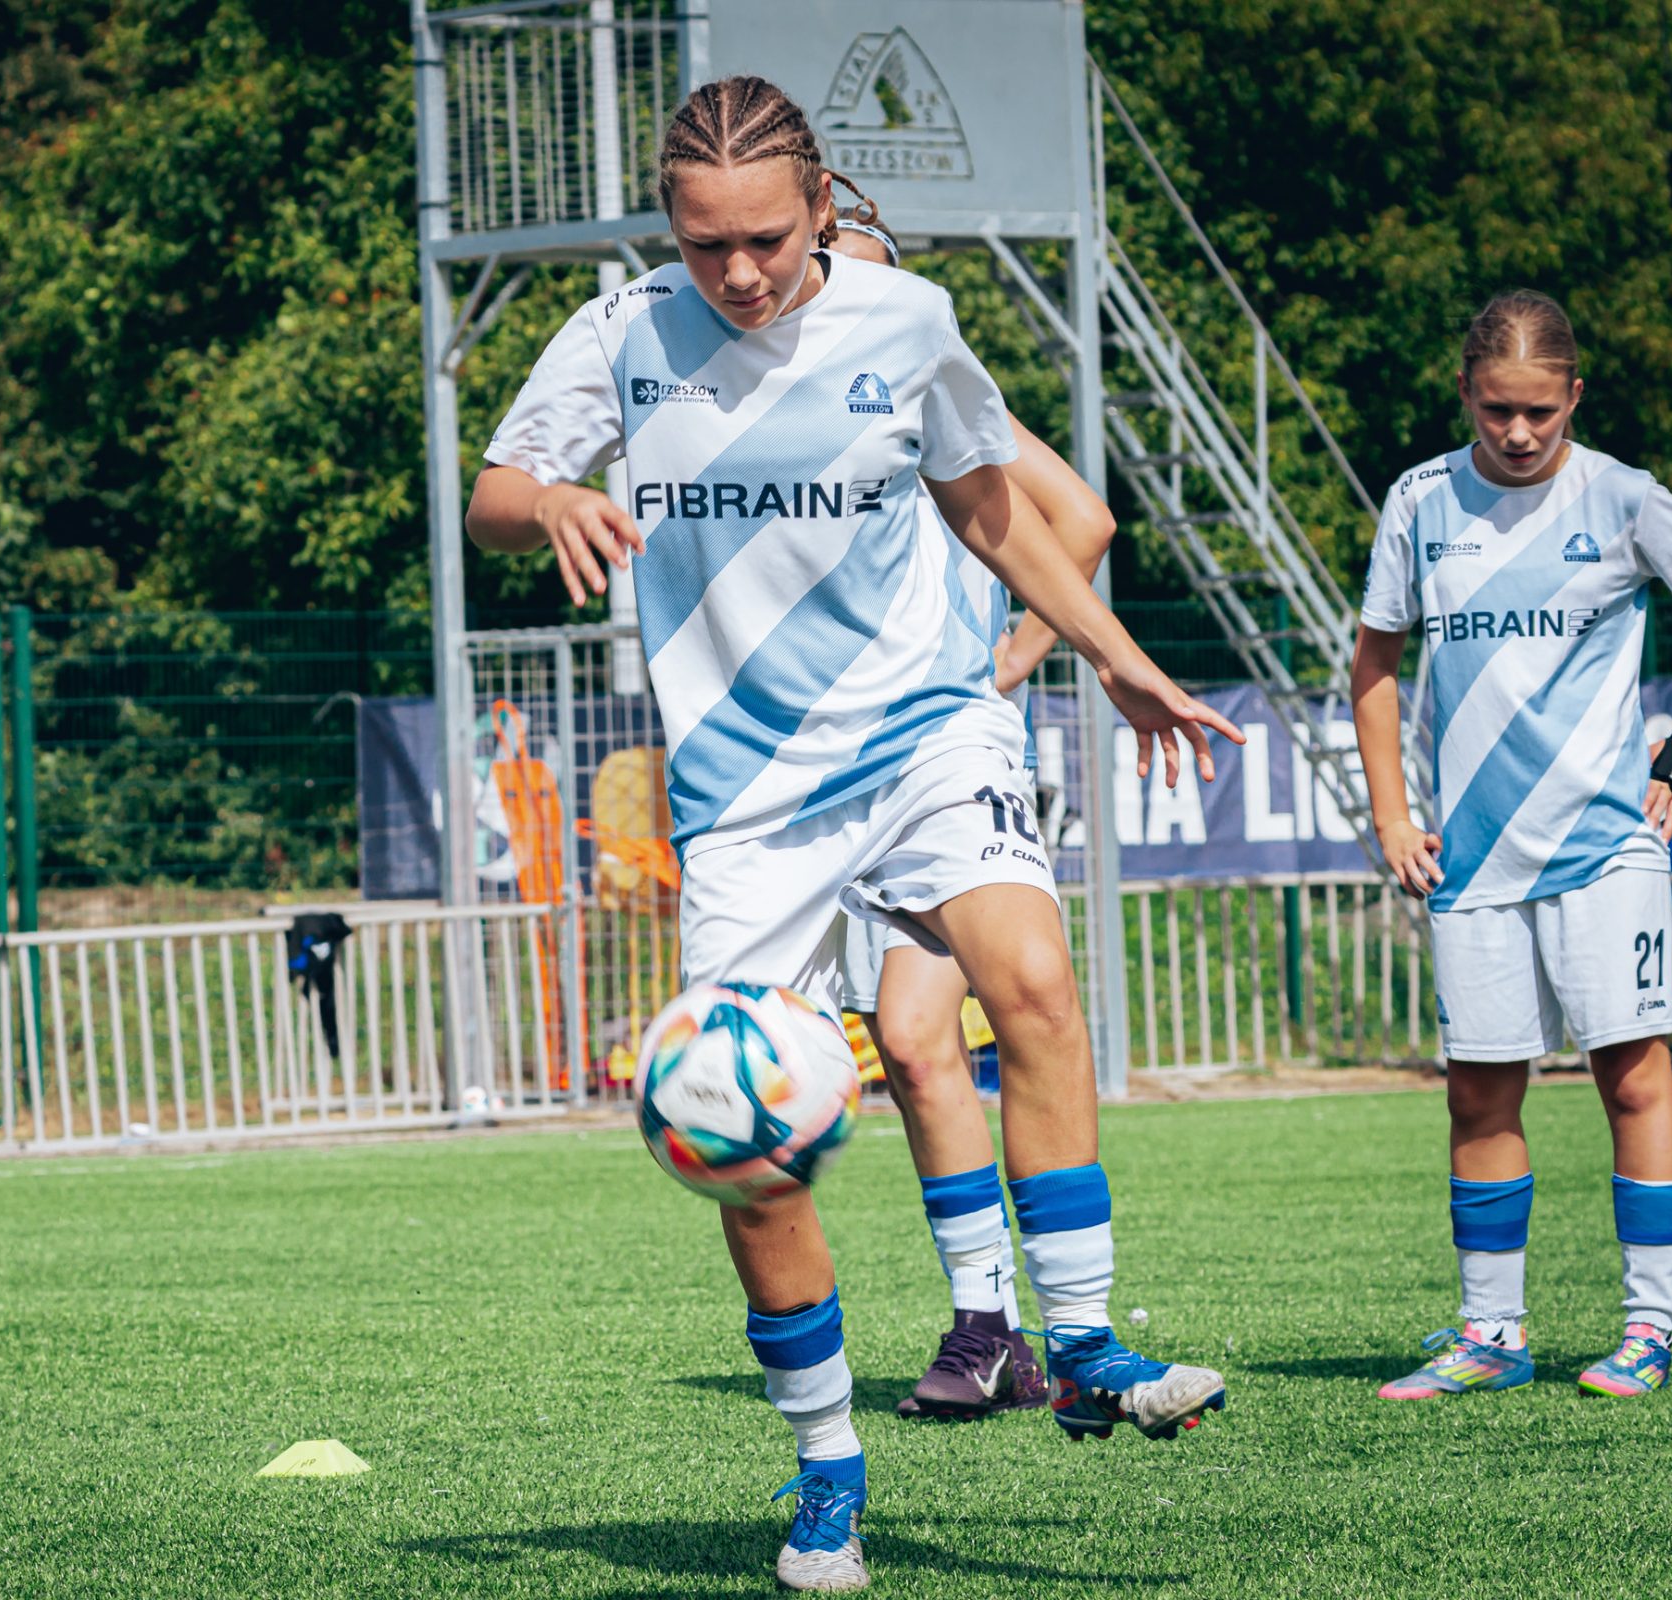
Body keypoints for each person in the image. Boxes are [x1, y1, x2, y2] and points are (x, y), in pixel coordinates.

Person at [467, 77, 1238, 1591]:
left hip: (920, 728)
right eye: (705, 244)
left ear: (820, 207)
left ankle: (1080, 1345)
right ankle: (826, 1470)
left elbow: (994, 511)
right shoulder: (621, 333)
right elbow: (493, 489)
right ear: (671, 228)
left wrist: (1115, 655)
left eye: (764, 238)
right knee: (742, 1137)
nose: (739, 272)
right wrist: (547, 503)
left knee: (1033, 980)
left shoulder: (908, 321)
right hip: (743, 793)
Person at [1350, 291, 1672, 1403]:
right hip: (1471, 858)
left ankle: (1646, 1330)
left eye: (1540, 410)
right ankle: (1491, 1335)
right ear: (1465, 395)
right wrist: (1392, 815)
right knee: (1478, 1094)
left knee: (1630, 1076)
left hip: (1603, 847)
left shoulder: (1623, 496)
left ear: (1574, 396)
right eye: (1497, 409)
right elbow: (1375, 665)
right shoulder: (1419, 500)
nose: (1519, 432)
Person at [820, 201, 1119, 1425]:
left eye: (870, 277)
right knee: (907, 1037)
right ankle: (987, 1330)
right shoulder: (781, 408)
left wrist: (1010, 661)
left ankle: (1077, 1327)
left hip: (950, 747)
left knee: (1027, 997)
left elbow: (1084, 519)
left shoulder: (941, 388)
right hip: (846, 761)